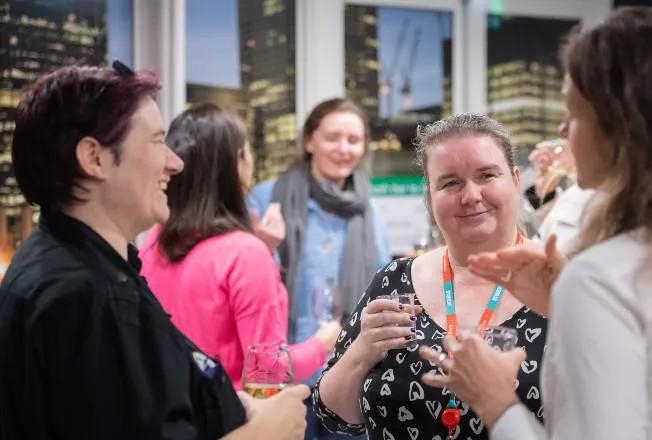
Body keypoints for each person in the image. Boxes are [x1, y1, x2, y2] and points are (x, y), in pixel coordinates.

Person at [421, 7, 652, 440]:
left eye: (573, 113)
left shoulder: (598, 281)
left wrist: (494, 397)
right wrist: (565, 305)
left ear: (620, 130)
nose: (563, 130)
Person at [0, 62, 310, 440]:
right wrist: (269, 430)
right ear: (94, 159)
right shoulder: (86, 298)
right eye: (157, 142)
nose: (175, 163)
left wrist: (244, 408)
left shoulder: (91, 266)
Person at [313, 113, 548, 439]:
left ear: (516, 179)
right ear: (429, 198)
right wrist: (363, 351)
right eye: (451, 182)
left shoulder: (555, 286)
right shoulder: (394, 281)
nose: (471, 195)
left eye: (486, 175)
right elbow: (334, 413)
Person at [139, 103, 342, 390]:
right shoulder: (245, 254)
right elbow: (267, 370)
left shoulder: (153, 241)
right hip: (234, 420)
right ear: (236, 163)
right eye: (247, 152)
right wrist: (322, 344)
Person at [247, 98, 390, 440]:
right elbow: (246, 280)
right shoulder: (268, 199)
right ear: (309, 141)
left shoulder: (369, 214)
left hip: (347, 380)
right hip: (282, 379)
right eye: (332, 137)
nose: (343, 149)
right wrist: (263, 247)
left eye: (354, 140)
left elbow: (384, 287)